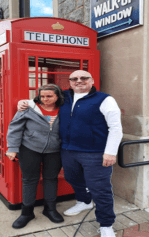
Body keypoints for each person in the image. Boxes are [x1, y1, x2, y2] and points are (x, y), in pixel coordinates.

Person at [18, 70, 123, 237]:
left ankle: (106, 225)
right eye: (74, 79)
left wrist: (110, 152)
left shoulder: (105, 99)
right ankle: (84, 202)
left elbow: (116, 128)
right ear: (70, 82)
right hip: (67, 150)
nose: (79, 81)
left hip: (95, 152)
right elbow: (40, 101)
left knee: (100, 189)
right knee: (72, 178)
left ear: (92, 80)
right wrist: (23, 103)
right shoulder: (64, 96)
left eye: (84, 78)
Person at [6, 84, 65, 229]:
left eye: (49, 96)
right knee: (29, 180)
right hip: (29, 148)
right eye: (42, 96)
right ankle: (27, 213)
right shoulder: (29, 107)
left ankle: (50, 209)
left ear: (57, 96)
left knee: (51, 179)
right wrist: (12, 148)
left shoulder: (65, 108)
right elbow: (15, 127)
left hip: (55, 150)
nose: (45, 99)